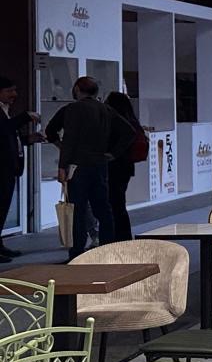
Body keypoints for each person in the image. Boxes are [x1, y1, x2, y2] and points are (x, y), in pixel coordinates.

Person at [44, 76, 136, 258]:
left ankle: (77, 253)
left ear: (77, 89)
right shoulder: (106, 109)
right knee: (104, 209)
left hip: (77, 166)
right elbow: (128, 132)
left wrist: (62, 162)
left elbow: (61, 135)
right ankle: (107, 249)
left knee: (77, 211)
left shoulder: (71, 109)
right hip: (100, 164)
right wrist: (113, 154)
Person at [0, 76, 42, 260]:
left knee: (2, 209)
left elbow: (7, 137)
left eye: (14, 90)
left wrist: (28, 139)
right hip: (2, 169)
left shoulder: (6, 110)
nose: (14, 94)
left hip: (8, 169)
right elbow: (3, 129)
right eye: (9, 91)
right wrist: (25, 117)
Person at [103, 91, 146, 243]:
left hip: (114, 167)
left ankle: (118, 238)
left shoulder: (115, 122)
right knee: (118, 203)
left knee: (114, 204)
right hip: (126, 167)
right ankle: (123, 236)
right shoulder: (131, 120)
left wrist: (112, 154)